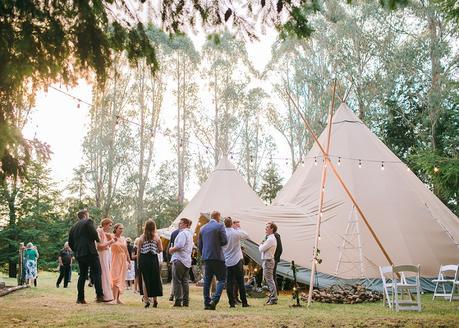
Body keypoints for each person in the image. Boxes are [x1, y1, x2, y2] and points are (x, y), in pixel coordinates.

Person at [68, 209, 104, 304]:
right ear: (85, 215)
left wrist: (76, 251)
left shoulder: (73, 227)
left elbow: (70, 243)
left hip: (79, 254)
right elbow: (94, 234)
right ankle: (99, 295)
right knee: (97, 272)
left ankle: (80, 298)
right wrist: (99, 240)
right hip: (90, 251)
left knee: (82, 275)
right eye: (88, 214)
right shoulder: (88, 221)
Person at [198, 210, 228, 310]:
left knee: (207, 281)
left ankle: (206, 303)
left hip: (206, 257)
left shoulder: (202, 228)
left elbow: (200, 246)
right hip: (217, 256)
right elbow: (225, 241)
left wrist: (205, 253)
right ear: (218, 217)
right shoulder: (220, 226)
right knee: (222, 279)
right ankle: (214, 300)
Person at [222, 217, 250, 308]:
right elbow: (246, 235)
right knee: (240, 282)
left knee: (229, 283)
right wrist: (238, 227)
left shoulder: (222, 233)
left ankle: (232, 303)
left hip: (227, 260)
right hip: (237, 260)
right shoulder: (235, 232)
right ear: (231, 224)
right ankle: (244, 303)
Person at [138, 219, 163, 308]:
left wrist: (138, 263)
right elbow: (160, 250)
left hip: (144, 259)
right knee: (155, 279)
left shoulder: (141, 237)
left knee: (145, 280)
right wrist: (154, 248)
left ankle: (146, 299)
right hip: (153, 259)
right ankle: (155, 300)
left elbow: (139, 251)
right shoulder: (157, 237)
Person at [169, 218, 193, 307]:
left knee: (177, 281)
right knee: (185, 281)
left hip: (179, 259)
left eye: (181, 223)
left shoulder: (183, 233)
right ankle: (186, 301)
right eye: (180, 223)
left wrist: (171, 249)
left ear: (186, 224)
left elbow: (180, 245)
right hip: (186, 260)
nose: (179, 224)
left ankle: (178, 301)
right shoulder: (190, 234)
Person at [110, 223, 131, 304]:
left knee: (121, 278)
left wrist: (129, 261)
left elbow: (126, 251)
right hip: (115, 259)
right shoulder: (111, 236)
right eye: (120, 228)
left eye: (122, 228)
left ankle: (118, 299)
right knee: (115, 277)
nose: (121, 230)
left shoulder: (123, 238)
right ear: (115, 229)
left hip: (123, 259)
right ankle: (114, 299)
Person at [97, 218, 116, 302]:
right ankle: (104, 295)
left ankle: (107, 295)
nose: (110, 227)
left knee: (106, 274)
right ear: (105, 224)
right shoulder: (99, 231)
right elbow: (99, 246)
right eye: (109, 225)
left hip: (106, 255)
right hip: (101, 255)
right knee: (104, 274)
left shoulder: (103, 233)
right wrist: (110, 242)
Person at [258, 222, 278, 305]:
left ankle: (273, 298)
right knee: (269, 280)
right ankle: (272, 297)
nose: (265, 229)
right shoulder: (269, 238)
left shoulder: (270, 239)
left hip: (268, 261)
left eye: (267, 227)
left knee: (269, 280)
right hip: (267, 260)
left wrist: (260, 244)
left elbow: (261, 249)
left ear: (272, 229)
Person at [166, 227, 180, 302]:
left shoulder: (173, 233)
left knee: (174, 278)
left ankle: (172, 294)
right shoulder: (185, 233)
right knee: (180, 279)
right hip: (179, 258)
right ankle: (176, 295)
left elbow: (169, 248)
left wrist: (169, 260)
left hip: (173, 257)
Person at [271, 222, 283, 291]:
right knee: (272, 275)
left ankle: (275, 292)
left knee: (272, 275)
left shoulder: (276, 236)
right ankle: (274, 291)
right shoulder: (270, 236)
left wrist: (275, 259)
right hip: (272, 258)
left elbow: (280, 249)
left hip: (274, 259)